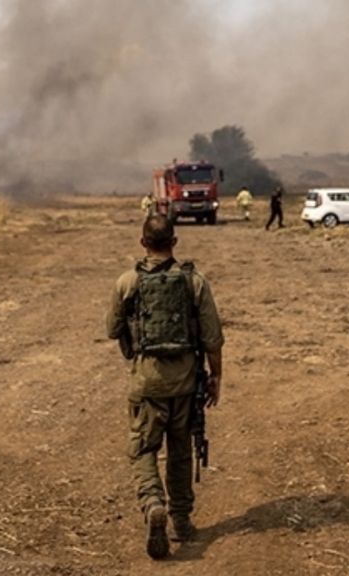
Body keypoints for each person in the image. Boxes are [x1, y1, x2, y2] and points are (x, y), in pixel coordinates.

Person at [107, 214, 224, 559]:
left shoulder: (127, 282)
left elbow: (113, 329)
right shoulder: (195, 282)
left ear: (143, 243)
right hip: (186, 384)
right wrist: (216, 377)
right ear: (174, 242)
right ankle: (182, 521)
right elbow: (213, 338)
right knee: (181, 451)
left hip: (147, 382)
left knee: (143, 449)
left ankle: (153, 502)